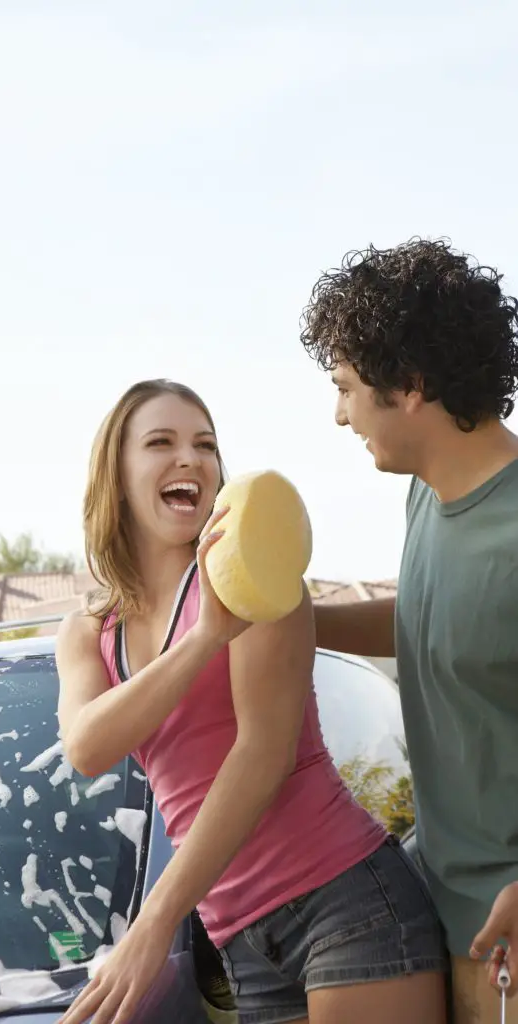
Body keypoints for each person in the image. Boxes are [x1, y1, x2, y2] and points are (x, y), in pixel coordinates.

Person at [54, 378, 447, 1024]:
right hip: (242, 939)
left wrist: (153, 925)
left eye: (204, 444)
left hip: (344, 903)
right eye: (161, 442)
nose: (190, 458)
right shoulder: (88, 633)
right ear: (115, 475)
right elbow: (89, 746)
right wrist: (206, 636)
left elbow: (260, 758)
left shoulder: (257, 577)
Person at [299, 237, 518, 1024]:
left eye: (347, 387)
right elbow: (433, 619)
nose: (338, 412)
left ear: (412, 386)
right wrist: (293, 623)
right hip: (438, 916)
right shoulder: (426, 496)